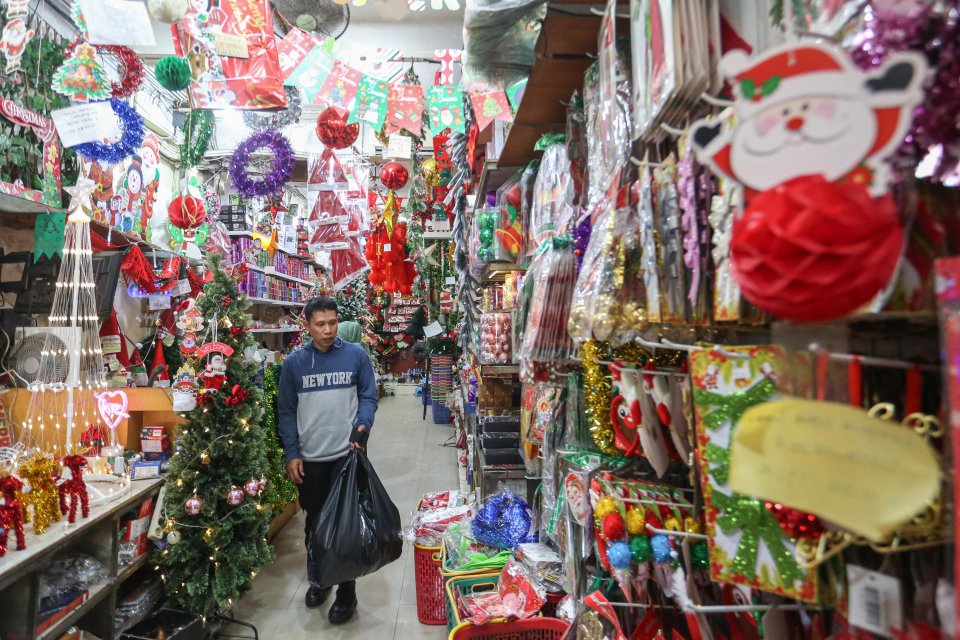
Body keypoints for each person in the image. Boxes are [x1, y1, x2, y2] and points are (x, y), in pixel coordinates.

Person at [278, 297, 379, 624]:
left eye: (332, 323)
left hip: (347, 456)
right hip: (311, 459)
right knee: (315, 524)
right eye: (320, 324)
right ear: (306, 324)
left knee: (346, 526)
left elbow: (368, 395)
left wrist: (363, 422)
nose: (327, 330)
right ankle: (320, 578)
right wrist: (292, 452)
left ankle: (346, 592)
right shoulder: (294, 364)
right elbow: (287, 411)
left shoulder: (355, 356)